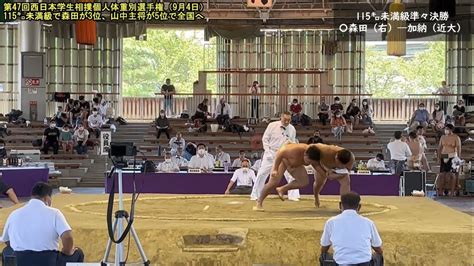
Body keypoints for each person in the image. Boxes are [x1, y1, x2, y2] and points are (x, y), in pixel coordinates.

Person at [0, 182, 84, 265]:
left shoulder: (14, 214)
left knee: (7, 251)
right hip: (47, 261)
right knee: (78, 253)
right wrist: (67, 252)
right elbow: (67, 236)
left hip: (21, 261)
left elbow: (6, 240)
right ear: (47, 198)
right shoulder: (54, 213)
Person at [254, 143, 354, 211]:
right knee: (273, 182)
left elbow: (322, 171)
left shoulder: (315, 159)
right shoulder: (296, 149)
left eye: (311, 163)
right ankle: (259, 202)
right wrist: (275, 168)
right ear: (305, 154)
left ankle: (282, 189)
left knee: (304, 182)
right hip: (284, 161)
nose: (309, 163)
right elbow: (280, 153)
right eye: (308, 161)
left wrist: (330, 174)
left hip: (297, 165)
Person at [320, 192, 383, 266]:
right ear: (359, 207)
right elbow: (377, 248)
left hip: (342, 264)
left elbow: (324, 248)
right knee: (378, 255)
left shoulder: (331, 222)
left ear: (340, 205)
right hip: (364, 264)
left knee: (324, 256)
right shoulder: (368, 222)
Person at [250, 112, 300, 202]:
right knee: (262, 174)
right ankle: (255, 194)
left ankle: (293, 195)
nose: (287, 122)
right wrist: (267, 151)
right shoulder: (272, 125)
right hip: (271, 152)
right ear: (281, 118)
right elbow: (265, 138)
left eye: (289, 120)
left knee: (291, 174)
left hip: (285, 154)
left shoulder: (292, 129)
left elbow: (293, 142)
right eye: (285, 120)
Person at [437, 124, 462, 197]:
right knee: (442, 174)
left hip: (453, 156)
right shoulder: (443, 137)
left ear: (451, 130)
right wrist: (438, 157)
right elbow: (439, 148)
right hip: (444, 155)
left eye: (447, 129)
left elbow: (459, 148)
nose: (446, 130)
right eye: (445, 129)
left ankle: (452, 191)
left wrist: (458, 159)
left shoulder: (456, 137)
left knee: (452, 174)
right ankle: (440, 191)